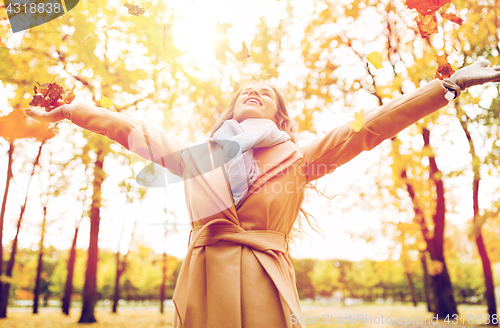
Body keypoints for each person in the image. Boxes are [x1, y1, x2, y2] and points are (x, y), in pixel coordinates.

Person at [25, 60, 500, 328]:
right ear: (230, 107)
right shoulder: (196, 156)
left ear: (280, 114)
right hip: (203, 283)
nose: (254, 91)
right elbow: (130, 127)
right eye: (246, 89)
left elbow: (368, 128)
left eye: (266, 92)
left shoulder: (302, 156)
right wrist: (71, 110)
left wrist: (449, 86)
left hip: (264, 283)